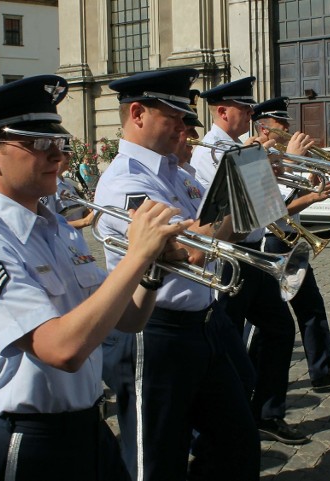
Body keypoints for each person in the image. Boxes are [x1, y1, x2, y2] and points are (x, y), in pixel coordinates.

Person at [0, 74, 192, 481]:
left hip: (87, 428)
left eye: (60, 145)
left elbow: (128, 320)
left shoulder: (55, 226)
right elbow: (63, 349)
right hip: (30, 441)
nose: (58, 158)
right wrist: (137, 255)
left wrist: (151, 269)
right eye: (40, 145)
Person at [95, 68, 260, 481]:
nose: (185, 127)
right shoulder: (125, 183)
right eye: (175, 116)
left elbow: (226, 232)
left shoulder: (180, 175)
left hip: (206, 322)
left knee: (236, 443)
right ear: (137, 114)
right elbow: (186, 251)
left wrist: (256, 194)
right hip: (157, 331)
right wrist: (228, 205)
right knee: (157, 458)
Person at [190, 77, 309, 445]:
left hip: (255, 253)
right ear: (223, 111)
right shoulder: (208, 152)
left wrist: (270, 173)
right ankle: (223, 422)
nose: (251, 114)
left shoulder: (242, 147)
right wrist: (256, 171)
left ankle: (266, 414)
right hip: (228, 257)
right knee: (226, 341)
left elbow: (266, 208)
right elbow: (222, 209)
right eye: (244, 109)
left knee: (279, 329)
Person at [251, 97, 330, 391]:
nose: (287, 128)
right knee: (272, 320)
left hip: (291, 239)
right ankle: (254, 379)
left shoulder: (283, 158)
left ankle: (323, 371)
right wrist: (307, 189)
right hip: (270, 243)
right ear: (263, 127)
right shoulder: (257, 158)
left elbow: (291, 202)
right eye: (280, 124)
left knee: (311, 306)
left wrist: (312, 177)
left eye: (286, 123)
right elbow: (275, 208)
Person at [41, 147, 94, 233]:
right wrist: (85, 221)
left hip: (75, 242)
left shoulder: (68, 184)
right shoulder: (46, 188)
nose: (69, 156)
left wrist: (95, 208)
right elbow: (49, 224)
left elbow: (80, 214)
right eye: (64, 153)